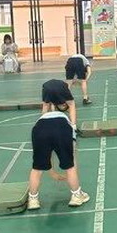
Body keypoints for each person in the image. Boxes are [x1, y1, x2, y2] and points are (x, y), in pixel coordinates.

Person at [27, 79, 89, 210]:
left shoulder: (45, 110)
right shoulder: (65, 119)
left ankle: (33, 200)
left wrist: (52, 172)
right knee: (70, 166)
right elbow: (72, 105)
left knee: (36, 168)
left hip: (39, 129)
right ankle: (76, 195)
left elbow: (45, 108)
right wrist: (73, 127)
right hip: (61, 129)